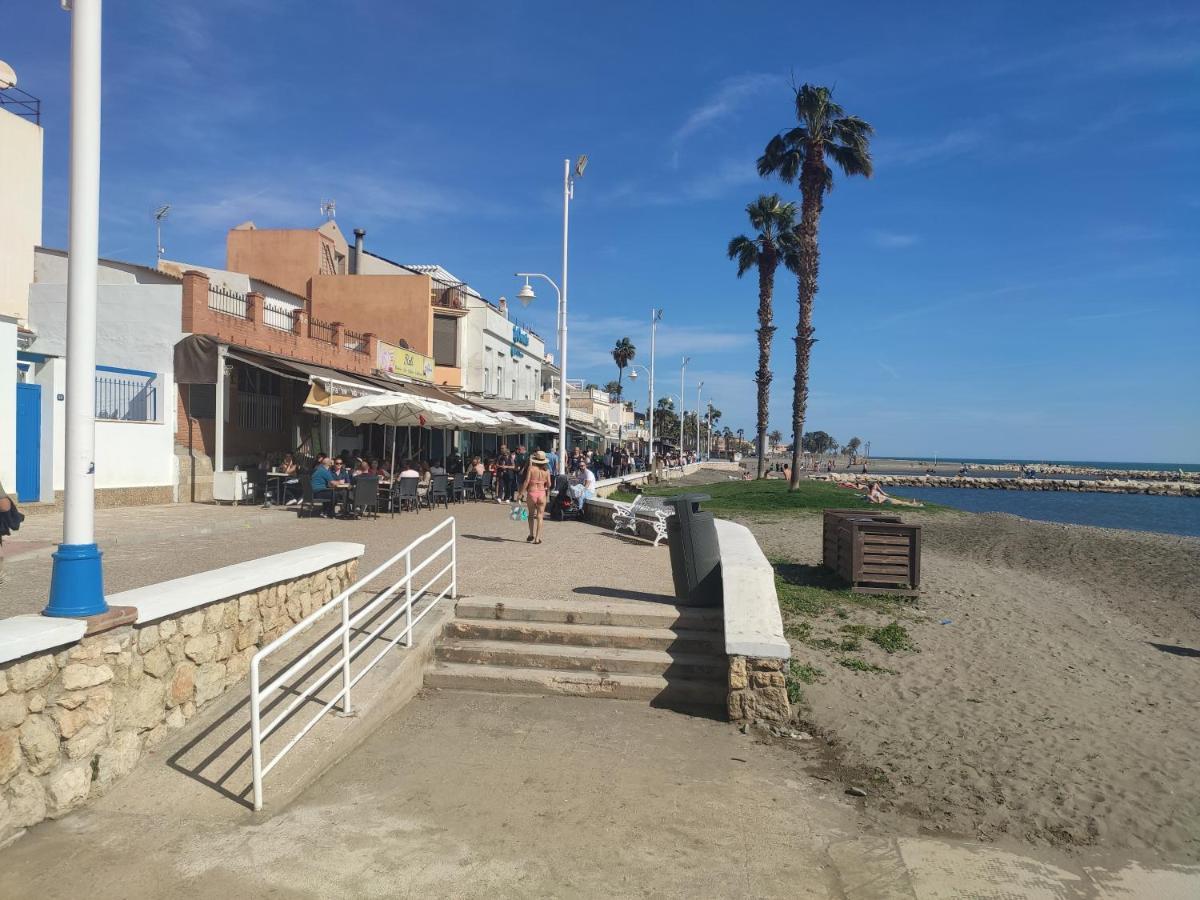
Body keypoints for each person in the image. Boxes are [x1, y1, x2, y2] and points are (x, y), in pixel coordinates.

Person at [518, 449, 553, 544]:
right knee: (540, 516)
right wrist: (545, 487)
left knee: (530, 515)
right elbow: (549, 484)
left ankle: (531, 534)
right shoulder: (547, 471)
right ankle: (537, 538)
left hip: (532, 492)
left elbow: (526, 481)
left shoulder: (531, 469)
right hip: (542, 493)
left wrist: (520, 493)